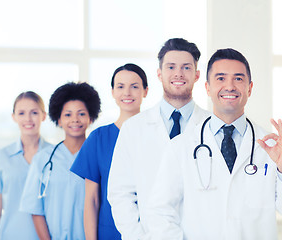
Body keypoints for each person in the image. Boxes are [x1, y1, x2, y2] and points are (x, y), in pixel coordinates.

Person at [146, 48, 282, 240]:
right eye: (221, 78)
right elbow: (159, 212)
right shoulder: (181, 147)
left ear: (250, 88)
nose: (230, 86)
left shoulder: (273, 147)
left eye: (238, 79)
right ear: (207, 88)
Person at [107, 38, 210, 239]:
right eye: (171, 67)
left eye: (186, 67)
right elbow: (120, 194)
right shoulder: (134, 128)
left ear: (197, 75)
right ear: (159, 74)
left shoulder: (212, 127)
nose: (178, 73)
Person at [71, 63, 149, 240]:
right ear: (113, 92)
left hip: (152, 231)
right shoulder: (98, 139)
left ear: (145, 91)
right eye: (120, 87)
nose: (127, 93)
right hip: (110, 232)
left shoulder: (159, 135)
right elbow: (91, 200)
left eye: (134, 87)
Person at [19, 82, 101, 240]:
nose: (75, 120)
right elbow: (35, 209)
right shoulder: (43, 159)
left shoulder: (98, 156)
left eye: (81, 114)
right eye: (68, 114)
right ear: (59, 119)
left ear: (91, 117)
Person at [0, 91, 52, 240]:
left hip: (47, 235)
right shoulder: (1, 157)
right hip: (9, 234)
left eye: (34, 112)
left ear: (44, 116)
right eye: (21, 113)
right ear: (14, 117)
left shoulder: (55, 155)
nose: (28, 119)